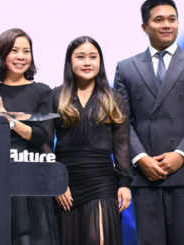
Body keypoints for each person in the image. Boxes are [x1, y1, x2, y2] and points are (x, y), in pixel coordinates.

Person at [113, 0, 184, 245]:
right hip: (145, 173)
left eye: (172, 19)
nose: (167, 25)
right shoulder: (126, 68)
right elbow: (120, 120)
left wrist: (180, 154)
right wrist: (140, 158)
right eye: (159, 20)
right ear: (145, 26)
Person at [0, 28, 58, 245]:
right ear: (2, 54)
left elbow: (41, 136)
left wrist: (7, 117)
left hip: (29, 178)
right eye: (14, 50)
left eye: (26, 51)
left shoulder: (42, 90)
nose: (21, 57)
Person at [47, 36, 133, 245]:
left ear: (100, 61)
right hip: (66, 181)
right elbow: (45, 143)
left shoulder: (113, 98)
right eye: (80, 57)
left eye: (93, 57)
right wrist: (57, 181)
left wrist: (125, 183)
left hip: (102, 181)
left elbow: (121, 144)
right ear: (70, 61)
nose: (87, 62)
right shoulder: (55, 96)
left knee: (99, 239)